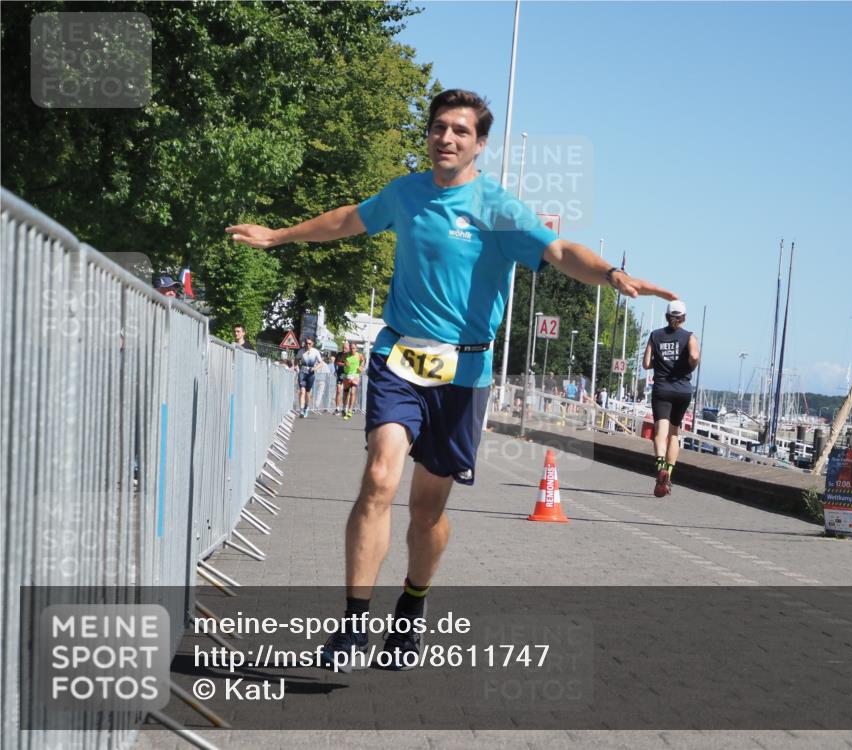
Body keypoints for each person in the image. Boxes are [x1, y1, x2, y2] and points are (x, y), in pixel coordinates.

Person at [226, 88, 676, 671]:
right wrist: (279, 236)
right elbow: (347, 220)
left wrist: (612, 273)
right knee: (379, 478)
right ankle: (352, 628)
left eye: (461, 131)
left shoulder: (497, 209)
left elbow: (561, 250)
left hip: (464, 372)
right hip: (399, 357)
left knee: (426, 513)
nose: (447, 138)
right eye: (440, 127)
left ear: (479, 144)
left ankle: (411, 610)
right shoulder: (406, 193)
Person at [643, 299, 700, 497]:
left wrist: (661, 362)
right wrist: (688, 365)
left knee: (660, 432)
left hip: (662, 389)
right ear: (683, 317)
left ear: (667, 316)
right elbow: (694, 357)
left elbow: (646, 363)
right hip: (682, 390)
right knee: (674, 434)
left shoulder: (655, 336)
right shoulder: (690, 337)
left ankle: (660, 469)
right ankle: (670, 473)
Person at [297, 337, 322, 417]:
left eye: (309, 343)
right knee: (302, 391)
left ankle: (306, 407)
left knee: (308, 393)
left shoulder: (315, 352)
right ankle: (301, 410)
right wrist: (296, 366)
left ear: (312, 344)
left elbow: (321, 363)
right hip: (302, 372)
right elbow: (296, 359)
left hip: (311, 373)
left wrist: (315, 368)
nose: (307, 345)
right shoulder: (301, 351)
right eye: (306, 343)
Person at [341, 342, 364, 420]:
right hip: (347, 375)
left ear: (356, 348)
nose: (352, 350)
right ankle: (344, 408)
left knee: (352, 392)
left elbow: (363, 361)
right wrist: (344, 364)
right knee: (346, 392)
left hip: (355, 375)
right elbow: (340, 362)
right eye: (351, 348)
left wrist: (361, 366)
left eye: (354, 348)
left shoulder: (359, 355)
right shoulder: (346, 355)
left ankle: (350, 410)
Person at [333, 340, 349, 414]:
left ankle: (344, 408)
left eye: (345, 348)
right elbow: (336, 362)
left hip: (347, 374)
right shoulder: (339, 354)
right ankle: (337, 408)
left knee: (346, 392)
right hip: (339, 373)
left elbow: (349, 364)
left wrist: (342, 364)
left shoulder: (349, 355)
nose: (344, 349)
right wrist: (336, 369)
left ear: (348, 348)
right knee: (338, 390)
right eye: (343, 348)